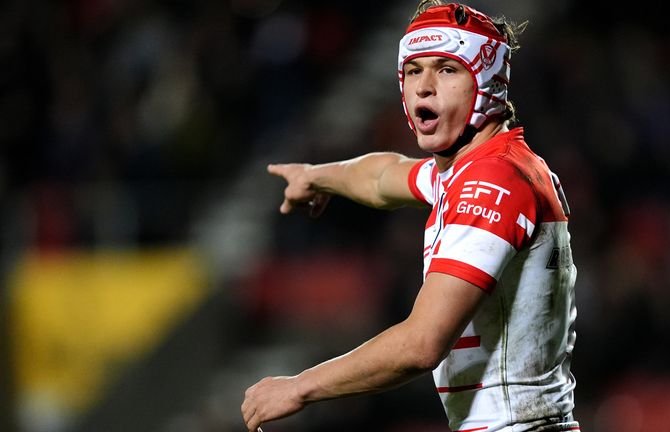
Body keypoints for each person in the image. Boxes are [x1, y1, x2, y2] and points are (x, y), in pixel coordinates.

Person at [242, 1, 580, 431]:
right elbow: (383, 176)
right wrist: (316, 176)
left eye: (446, 69)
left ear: (487, 82)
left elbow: (421, 344)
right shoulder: (474, 169)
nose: (423, 86)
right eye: (413, 70)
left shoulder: (492, 180)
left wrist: (299, 387)